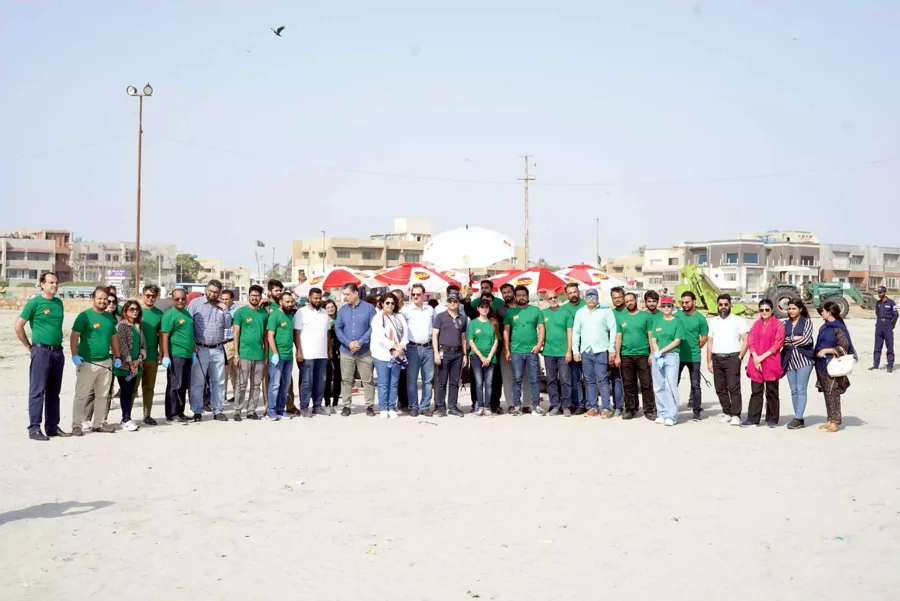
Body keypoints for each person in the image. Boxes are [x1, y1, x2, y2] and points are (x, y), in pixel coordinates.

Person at [15, 272, 67, 440]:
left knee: (54, 392)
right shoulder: (34, 303)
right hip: (41, 351)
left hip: (57, 352)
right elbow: (18, 326)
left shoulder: (59, 303)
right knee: (37, 391)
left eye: (56, 282)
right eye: (51, 282)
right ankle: (34, 428)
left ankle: (52, 426)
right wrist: (29, 347)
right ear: (42, 284)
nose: (54, 285)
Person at [70, 286, 121, 435]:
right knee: (82, 395)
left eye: (105, 299)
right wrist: (74, 355)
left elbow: (114, 338)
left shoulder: (109, 318)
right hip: (87, 362)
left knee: (103, 395)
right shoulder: (84, 316)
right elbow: (74, 336)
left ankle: (99, 423)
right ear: (94, 299)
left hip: (106, 363)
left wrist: (117, 356)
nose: (103, 301)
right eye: (100, 298)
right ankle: (76, 425)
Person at [188, 279, 233, 422]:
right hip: (200, 348)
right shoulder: (195, 304)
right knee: (198, 382)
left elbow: (228, 325)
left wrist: (225, 309)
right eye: (210, 291)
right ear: (206, 289)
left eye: (216, 292)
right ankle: (197, 410)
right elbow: (189, 325)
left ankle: (218, 410)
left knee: (218, 382)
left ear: (219, 293)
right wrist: (192, 345)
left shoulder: (221, 307)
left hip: (218, 349)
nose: (212, 294)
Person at [572, 288, 617, 417]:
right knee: (589, 380)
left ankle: (606, 408)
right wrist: (576, 350)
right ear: (585, 298)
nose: (591, 299)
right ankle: (592, 406)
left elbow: (613, 330)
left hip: (601, 350)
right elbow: (576, 332)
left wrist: (611, 349)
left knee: (602, 380)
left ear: (598, 298)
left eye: (594, 296)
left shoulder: (606, 312)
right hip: (586, 351)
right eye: (589, 296)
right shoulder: (580, 313)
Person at [335, 283, 377, 416]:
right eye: (344, 295)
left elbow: (373, 327)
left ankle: (369, 405)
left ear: (356, 293)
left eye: (347, 294)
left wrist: (360, 342)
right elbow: (338, 328)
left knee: (367, 379)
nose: (345, 297)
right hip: (346, 351)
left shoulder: (369, 309)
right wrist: (349, 343)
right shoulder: (342, 310)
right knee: (346, 379)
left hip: (364, 350)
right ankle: (346, 405)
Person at [706, 293, 749, 426]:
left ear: (730, 305)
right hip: (717, 358)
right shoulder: (713, 322)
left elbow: (746, 340)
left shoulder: (738, 320)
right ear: (717, 306)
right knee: (720, 388)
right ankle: (727, 412)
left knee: (733, 388)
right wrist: (709, 361)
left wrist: (740, 357)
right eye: (720, 305)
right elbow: (710, 342)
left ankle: (736, 415)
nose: (723, 307)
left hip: (732, 358)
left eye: (726, 304)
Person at [814, 301, 857, 432]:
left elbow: (844, 348)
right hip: (821, 365)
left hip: (833, 365)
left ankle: (835, 422)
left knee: (833, 393)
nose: (821, 313)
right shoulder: (824, 327)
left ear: (829, 312)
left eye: (823, 311)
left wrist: (827, 351)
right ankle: (829, 419)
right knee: (827, 392)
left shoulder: (838, 328)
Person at [503, 285, 545, 416]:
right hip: (516, 351)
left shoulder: (535, 310)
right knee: (517, 379)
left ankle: (536, 405)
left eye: (524, 295)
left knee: (534, 379)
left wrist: (539, 345)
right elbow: (506, 331)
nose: (521, 297)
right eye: (519, 295)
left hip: (532, 351)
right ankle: (517, 406)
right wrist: (507, 349)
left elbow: (541, 328)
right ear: (515, 297)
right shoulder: (510, 312)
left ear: (527, 296)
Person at [743, 299, 785, 427]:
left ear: (772, 310)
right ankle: (753, 419)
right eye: (761, 310)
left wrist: (761, 358)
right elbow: (750, 341)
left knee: (772, 391)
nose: (764, 312)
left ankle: (772, 419)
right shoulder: (756, 324)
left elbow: (778, 343)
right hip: (755, 361)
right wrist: (756, 357)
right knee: (756, 391)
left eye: (767, 310)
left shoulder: (779, 325)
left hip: (771, 360)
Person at [616, 292, 655, 421]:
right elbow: (618, 337)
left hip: (643, 354)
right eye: (626, 301)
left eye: (631, 300)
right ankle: (631, 409)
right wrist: (617, 355)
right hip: (626, 355)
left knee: (646, 383)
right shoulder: (621, 317)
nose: (629, 303)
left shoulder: (646, 316)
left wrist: (652, 352)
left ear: (635, 300)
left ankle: (649, 409)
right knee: (628, 384)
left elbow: (650, 335)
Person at [232, 284, 268, 421]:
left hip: (259, 355)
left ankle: (251, 411)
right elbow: (236, 333)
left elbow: (265, 335)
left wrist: (265, 355)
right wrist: (236, 354)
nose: (255, 298)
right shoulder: (240, 312)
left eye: (257, 296)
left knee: (256, 385)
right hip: (244, 354)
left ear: (260, 297)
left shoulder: (264, 314)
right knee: (241, 384)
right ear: (248, 296)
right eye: (252, 295)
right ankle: (237, 410)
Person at [294, 287, 331, 417]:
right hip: (307, 354)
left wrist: (329, 350)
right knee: (306, 382)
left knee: (321, 381)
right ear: (309, 298)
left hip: (322, 354)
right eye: (315, 298)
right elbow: (296, 333)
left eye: (320, 298)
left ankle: (317, 406)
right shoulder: (301, 312)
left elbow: (327, 333)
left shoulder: (324, 313)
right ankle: (304, 407)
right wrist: (299, 351)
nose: (318, 300)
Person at [371, 293, 408, 418]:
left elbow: (405, 335)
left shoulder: (399, 317)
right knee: (383, 382)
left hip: (398, 354)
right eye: (387, 303)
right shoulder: (378, 318)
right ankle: (383, 408)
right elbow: (380, 337)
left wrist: (400, 347)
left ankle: (391, 406)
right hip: (382, 354)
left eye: (392, 303)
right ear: (382, 303)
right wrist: (394, 347)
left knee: (394, 382)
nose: (390, 305)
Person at [649, 296, 684, 426]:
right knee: (658, 386)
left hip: (671, 356)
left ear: (672, 307)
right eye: (663, 306)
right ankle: (661, 413)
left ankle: (672, 415)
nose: (666, 308)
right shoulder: (657, 322)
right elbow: (653, 339)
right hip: (657, 357)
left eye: (668, 306)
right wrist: (657, 352)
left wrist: (662, 351)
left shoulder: (677, 322)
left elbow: (677, 340)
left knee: (670, 386)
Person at [402, 283, 435, 417]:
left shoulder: (430, 310)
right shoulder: (406, 310)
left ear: (424, 295)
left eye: (418, 294)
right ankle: (413, 406)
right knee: (412, 380)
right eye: (413, 294)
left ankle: (425, 406)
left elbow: (434, 328)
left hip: (428, 347)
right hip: (412, 348)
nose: (415, 296)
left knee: (428, 380)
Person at [433, 292, 469, 417]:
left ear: (458, 303)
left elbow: (463, 337)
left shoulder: (463, 318)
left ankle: (452, 406)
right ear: (447, 303)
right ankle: (441, 407)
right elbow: (435, 335)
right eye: (450, 301)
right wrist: (436, 353)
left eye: (455, 301)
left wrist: (465, 354)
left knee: (454, 382)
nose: (452, 303)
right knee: (442, 381)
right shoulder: (440, 316)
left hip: (458, 353)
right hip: (444, 351)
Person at [161, 289, 193, 422]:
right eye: (177, 299)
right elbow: (165, 336)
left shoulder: (187, 313)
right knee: (174, 385)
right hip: (176, 355)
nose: (180, 301)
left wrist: (194, 348)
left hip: (188, 354)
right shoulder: (169, 315)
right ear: (172, 300)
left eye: (183, 299)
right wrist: (166, 355)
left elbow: (190, 333)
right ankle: (172, 414)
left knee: (184, 385)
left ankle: (180, 412)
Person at [113, 300, 146, 432]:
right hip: (124, 366)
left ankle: (126, 417)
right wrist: (130, 363)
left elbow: (143, 345)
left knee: (131, 392)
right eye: (131, 309)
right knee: (125, 392)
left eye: (137, 309)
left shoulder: (138, 326)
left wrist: (139, 359)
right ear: (125, 311)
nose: (135, 311)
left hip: (136, 365)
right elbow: (122, 346)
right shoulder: (121, 326)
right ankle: (126, 419)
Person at [782, 297, 815, 429]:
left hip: (804, 359)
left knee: (801, 389)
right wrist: (793, 338)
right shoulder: (785, 323)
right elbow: (781, 341)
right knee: (793, 390)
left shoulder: (807, 322)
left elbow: (806, 340)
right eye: (789, 308)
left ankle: (798, 417)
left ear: (800, 309)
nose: (791, 311)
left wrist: (789, 340)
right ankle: (798, 416)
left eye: (794, 308)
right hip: (789, 359)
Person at [134, 284, 163, 426]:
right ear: (142, 295)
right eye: (148, 295)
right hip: (135, 356)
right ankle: (126, 415)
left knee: (149, 387)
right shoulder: (134, 311)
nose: (150, 298)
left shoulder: (159, 314)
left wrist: (161, 353)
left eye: (153, 296)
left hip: (151, 355)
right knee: (133, 387)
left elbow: (162, 336)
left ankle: (147, 414)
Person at [676, 291, 708, 421]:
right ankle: (671, 408)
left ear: (694, 302)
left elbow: (704, 338)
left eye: (687, 302)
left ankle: (696, 411)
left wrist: (695, 347)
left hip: (694, 357)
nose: (684, 305)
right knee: (673, 383)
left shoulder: (700, 318)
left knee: (695, 385)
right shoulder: (676, 316)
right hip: (677, 356)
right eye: (682, 302)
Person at [541, 290, 572, 415]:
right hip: (548, 352)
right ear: (546, 300)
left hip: (563, 352)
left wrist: (569, 350)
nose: (553, 299)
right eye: (550, 298)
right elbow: (539, 329)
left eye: (555, 297)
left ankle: (566, 406)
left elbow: (570, 332)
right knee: (551, 380)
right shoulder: (543, 314)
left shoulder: (566, 312)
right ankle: (555, 405)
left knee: (565, 380)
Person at [266, 292, 296, 421]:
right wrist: (275, 353)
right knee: (275, 385)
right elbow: (270, 336)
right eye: (287, 302)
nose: (290, 304)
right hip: (277, 357)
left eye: (291, 302)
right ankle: (271, 411)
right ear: (280, 302)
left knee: (285, 385)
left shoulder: (290, 316)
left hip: (288, 356)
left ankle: (280, 410)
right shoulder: (275, 315)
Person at [467, 298, 499, 416]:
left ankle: (487, 406)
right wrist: (481, 357)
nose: (484, 309)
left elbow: (496, 341)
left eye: (486, 307)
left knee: (489, 383)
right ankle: (479, 405)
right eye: (482, 307)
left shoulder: (493, 323)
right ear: (478, 308)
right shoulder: (473, 323)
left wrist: (489, 357)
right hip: (476, 357)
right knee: (479, 382)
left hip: (490, 356)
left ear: (489, 308)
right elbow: (470, 341)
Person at [563, 283, 586, 414]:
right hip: (572, 349)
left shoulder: (586, 305)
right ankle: (578, 404)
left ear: (579, 292)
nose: (573, 295)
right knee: (574, 378)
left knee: (589, 379)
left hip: (587, 347)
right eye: (570, 293)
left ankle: (590, 404)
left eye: (575, 292)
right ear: (567, 294)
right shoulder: (564, 309)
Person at [496, 283, 518, 413]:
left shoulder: (522, 306)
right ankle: (510, 404)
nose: (507, 295)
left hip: (522, 345)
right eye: (504, 293)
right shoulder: (500, 309)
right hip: (506, 345)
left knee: (523, 375)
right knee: (507, 376)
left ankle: (525, 402)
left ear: (513, 292)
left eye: (509, 292)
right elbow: (498, 329)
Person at [607, 286, 628, 415]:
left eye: (619, 297)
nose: (617, 300)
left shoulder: (630, 311)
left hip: (629, 351)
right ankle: (618, 406)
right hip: (613, 350)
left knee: (629, 380)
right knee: (616, 379)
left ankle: (632, 406)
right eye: (615, 298)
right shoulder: (610, 313)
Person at [391, 289, 409, 412]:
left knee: (404, 377)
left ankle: (404, 403)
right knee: (393, 376)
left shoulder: (407, 311)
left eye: (395, 299)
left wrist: (402, 346)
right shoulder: (389, 312)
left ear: (401, 299)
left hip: (405, 348)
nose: (392, 302)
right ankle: (392, 402)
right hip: (392, 348)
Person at [871, 285, 897, 373]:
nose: (879, 294)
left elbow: (896, 315)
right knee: (877, 346)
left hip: (888, 325)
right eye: (878, 293)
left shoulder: (891, 303)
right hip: (879, 325)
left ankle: (890, 365)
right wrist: (880, 321)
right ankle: (875, 364)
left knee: (889, 346)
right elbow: (877, 313)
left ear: (884, 293)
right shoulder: (878, 303)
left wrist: (891, 325)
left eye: (880, 292)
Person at [323, 299, 342, 411]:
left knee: (338, 377)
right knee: (327, 377)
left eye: (332, 306)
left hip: (339, 351)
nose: (331, 309)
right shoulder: (323, 321)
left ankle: (335, 403)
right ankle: (327, 403)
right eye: (328, 307)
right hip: (325, 352)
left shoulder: (339, 320)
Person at [221, 289, 239, 403]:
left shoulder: (237, 311)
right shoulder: (218, 308)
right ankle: (222, 396)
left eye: (226, 299)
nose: (224, 301)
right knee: (223, 373)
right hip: (221, 344)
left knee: (234, 372)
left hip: (231, 343)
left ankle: (237, 396)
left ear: (231, 299)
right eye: (222, 299)